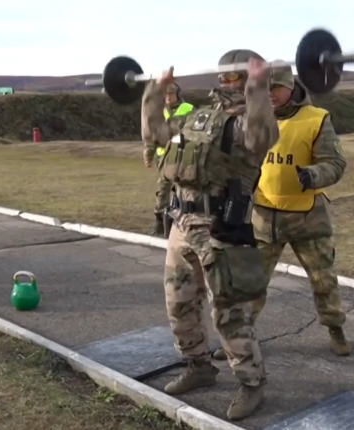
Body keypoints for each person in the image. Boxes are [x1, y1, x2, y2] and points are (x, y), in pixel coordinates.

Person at [140, 49, 279, 421]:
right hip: (182, 224)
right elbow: (155, 134)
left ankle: (253, 384)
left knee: (229, 311)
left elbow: (262, 138)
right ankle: (198, 366)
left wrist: (257, 88)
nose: (224, 82)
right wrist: (155, 92)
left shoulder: (249, 121)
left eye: (233, 77)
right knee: (179, 303)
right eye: (223, 76)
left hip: (221, 227)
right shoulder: (199, 116)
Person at [212, 62, 351, 361]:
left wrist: (314, 175)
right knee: (251, 283)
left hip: (307, 217)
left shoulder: (316, 119)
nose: (271, 95)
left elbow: (336, 163)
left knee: (323, 279)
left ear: (292, 87)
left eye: (276, 88)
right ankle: (240, 340)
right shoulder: (251, 118)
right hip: (263, 215)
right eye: (265, 89)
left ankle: (335, 328)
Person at [143, 83, 194, 237]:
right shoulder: (159, 111)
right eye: (165, 94)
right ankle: (160, 220)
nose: (168, 97)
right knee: (164, 189)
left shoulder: (188, 109)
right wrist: (149, 153)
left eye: (171, 94)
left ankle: (182, 220)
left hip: (182, 154)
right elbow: (152, 134)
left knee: (184, 188)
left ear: (177, 94)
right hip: (163, 157)